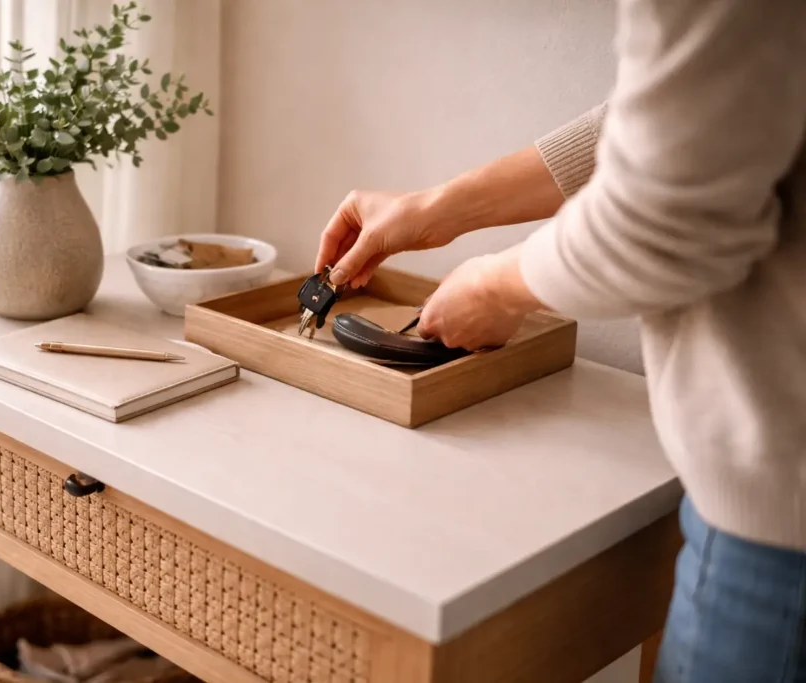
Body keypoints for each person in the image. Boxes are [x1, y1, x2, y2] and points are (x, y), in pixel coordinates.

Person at [314, 2, 806, 682]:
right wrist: (438, 208)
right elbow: (689, 116)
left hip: (781, 535)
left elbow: (666, 221)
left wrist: (495, 287)